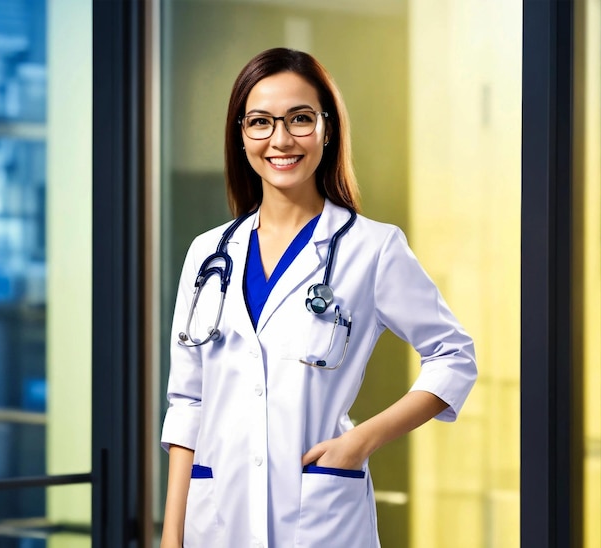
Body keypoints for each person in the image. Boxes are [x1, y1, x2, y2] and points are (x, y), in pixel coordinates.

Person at [160, 47, 477, 548]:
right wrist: (172, 535)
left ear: (327, 129)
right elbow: (188, 401)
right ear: (241, 135)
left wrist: (360, 442)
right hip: (216, 522)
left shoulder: (372, 248)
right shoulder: (208, 254)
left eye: (300, 119)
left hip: (321, 521)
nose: (281, 139)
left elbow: (454, 357)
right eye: (260, 122)